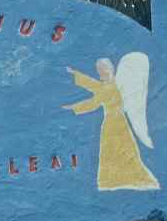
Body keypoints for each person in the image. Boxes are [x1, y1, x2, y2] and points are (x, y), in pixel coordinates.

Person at [63, 58, 158, 190]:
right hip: (109, 124)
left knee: (126, 150)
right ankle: (113, 181)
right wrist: (75, 74)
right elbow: (93, 89)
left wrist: (73, 106)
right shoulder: (105, 87)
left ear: (111, 69)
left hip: (118, 123)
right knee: (110, 152)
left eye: (103, 69)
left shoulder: (118, 85)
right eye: (99, 70)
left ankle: (134, 179)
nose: (101, 73)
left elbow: (92, 99)